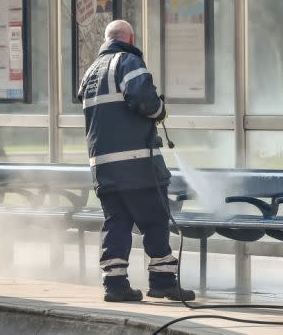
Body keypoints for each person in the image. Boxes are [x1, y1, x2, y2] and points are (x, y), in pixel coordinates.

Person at [77, 20, 195, 303]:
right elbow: (145, 100)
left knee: (116, 222)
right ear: (130, 37)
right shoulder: (128, 60)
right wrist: (159, 111)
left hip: (103, 167)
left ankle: (115, 285)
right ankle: (163, 281)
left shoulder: (91, 72)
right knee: (155, 219)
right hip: (136, 165)